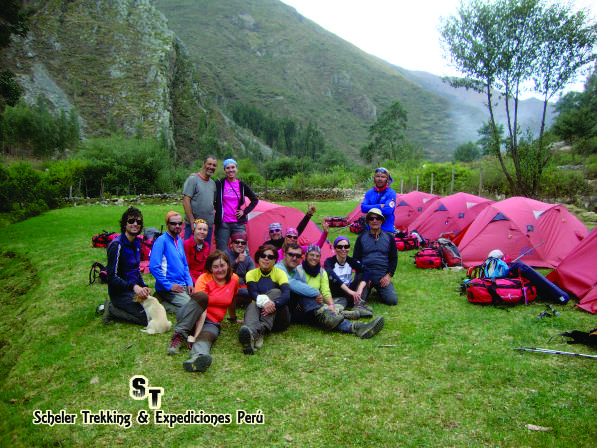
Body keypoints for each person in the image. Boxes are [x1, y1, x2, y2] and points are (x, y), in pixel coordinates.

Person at [277, 243, 385, 338]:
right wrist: (316, 294)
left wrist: (329, 304)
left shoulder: (305, 271)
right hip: (281, 312)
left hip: (304, 307)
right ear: (284, 255)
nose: (294, 258)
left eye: (297, 256)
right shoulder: (282, 268)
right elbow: (293, 285)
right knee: (317, 312)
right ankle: (341, 317)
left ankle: (355, 327)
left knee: (318, 315)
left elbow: (321, 290)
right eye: (291, 255)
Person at [166, 251, 240, 372]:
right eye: (215, 267)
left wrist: (233, 317)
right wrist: (196, 334)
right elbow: (202, 307)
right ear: (210, 268)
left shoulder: (234, 279)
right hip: (193, 315)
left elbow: (232, 298)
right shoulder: (204, 279)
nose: (220, 270)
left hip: (212, 322)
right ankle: (178, 336)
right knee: (202, 297)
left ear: (228, 265)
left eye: (222, 265)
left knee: (207, 336)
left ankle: (197, 358)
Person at [238, 244, 291, 355]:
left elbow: (286, 295)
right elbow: (253, 293)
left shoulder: (280, 273)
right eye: (263, 256)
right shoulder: (251, 274)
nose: (266, 259)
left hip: (278, 318)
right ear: (258, 258)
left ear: (275, 260)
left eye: (270, 257)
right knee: (252, 305)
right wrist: (266, 303)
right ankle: (251, 335)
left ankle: (260, 330)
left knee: (276, 292)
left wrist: (273, 305)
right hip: (257, 314)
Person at [104, 207, 151, 325]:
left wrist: (143, 286)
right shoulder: (116, 245)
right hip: (120, 293)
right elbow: (111, 277)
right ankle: (110, 308)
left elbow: (135, 270)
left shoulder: (136, 243)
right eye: (131, 221)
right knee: (145, 318)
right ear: (125, 224)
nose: (135, 224)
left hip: (132, 291)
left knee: (152, 312)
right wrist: (134, 287)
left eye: (138, 222)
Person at [149, 211, 194, 312]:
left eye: (180, 223)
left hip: (182, 284)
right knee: (190, 308)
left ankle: (162, 299)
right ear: (167, 224)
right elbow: (153, 267)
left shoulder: (179, 240)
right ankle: (161, 303)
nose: (177, 226)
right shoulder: (161, 241)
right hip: (168, 287)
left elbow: (185, 265)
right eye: (173, 223)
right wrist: (169, 286)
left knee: (199, 301)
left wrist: (189, 283)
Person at [353, 208, 398, 306]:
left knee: (392, 300)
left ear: (381, 220)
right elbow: (356, 260)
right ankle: (368, 288)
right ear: (368, 221)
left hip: (382, 275)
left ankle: (379, 290)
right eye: (371, 218)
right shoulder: (361, 238)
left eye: (377, 218)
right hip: (366, 274)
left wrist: (389, 275)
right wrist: (363, 277)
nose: (374, 221)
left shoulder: (389, 238)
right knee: (358, 301)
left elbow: (393, 259)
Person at [214, 158, 259, 251]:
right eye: (227, 168)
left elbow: (254, 199)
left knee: (242, 250)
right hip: (223, 223)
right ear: (224, 170)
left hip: (238, 224)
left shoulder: (241, 185)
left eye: (233, 167)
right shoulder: (219, 184)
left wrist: (244, 211)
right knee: (221, 251)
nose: (230, 170)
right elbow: (209, 192)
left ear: (236, 169)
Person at [324, 236, 373, 316]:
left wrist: (360, 288)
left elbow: (367, 271)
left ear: (349, 248)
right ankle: (347, 311)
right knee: (342, 300)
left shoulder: (350, 261)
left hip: (350, 292)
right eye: (340, 247)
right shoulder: (329, 262)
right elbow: (333, 276)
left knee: (364, 276)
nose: (343, 249)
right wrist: (350, 292)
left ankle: (359, 304)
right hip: (337, 292)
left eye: (346, 247)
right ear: (335, 249)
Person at [182, 155, 217, 243]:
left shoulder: (212, 184)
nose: (211, 167)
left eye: (214, 165)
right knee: (189, 250)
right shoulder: (193, 179)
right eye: (209, 164)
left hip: (207, 227)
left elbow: (212, 203)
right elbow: (186, 201)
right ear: (203, 164)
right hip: (193, 226)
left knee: (205, 250)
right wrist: (192, 221)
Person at [361, 167, 397, 234]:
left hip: (386, 230)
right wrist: (380, 206)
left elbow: (387, 211)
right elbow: (363, 208)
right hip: (370, 230)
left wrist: (370, 209)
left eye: (383, 177)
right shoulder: (369, 192)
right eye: (377, 176)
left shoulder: (391, 193)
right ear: (374, 178)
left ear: (387, 179)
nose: (380, 179)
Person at [224, 232, 255, 309]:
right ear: (231, 244)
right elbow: (222, 274)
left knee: (249, 291)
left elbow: (253, 276)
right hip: (226, 285)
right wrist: (236, 262)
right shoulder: (225, 255)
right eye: (237, 242)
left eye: (243, 243)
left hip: (241, 287)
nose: (240, 245)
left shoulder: (248, 259)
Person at [184, 218, 210, 284]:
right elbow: (185, 267)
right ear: (194, 230)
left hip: (202, 278)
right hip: (190, 278)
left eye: (205, 230)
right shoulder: (187, 244)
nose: (202, 232)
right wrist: (196, 282)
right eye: (199, 229)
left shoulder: (206, 245)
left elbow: (206, 267)